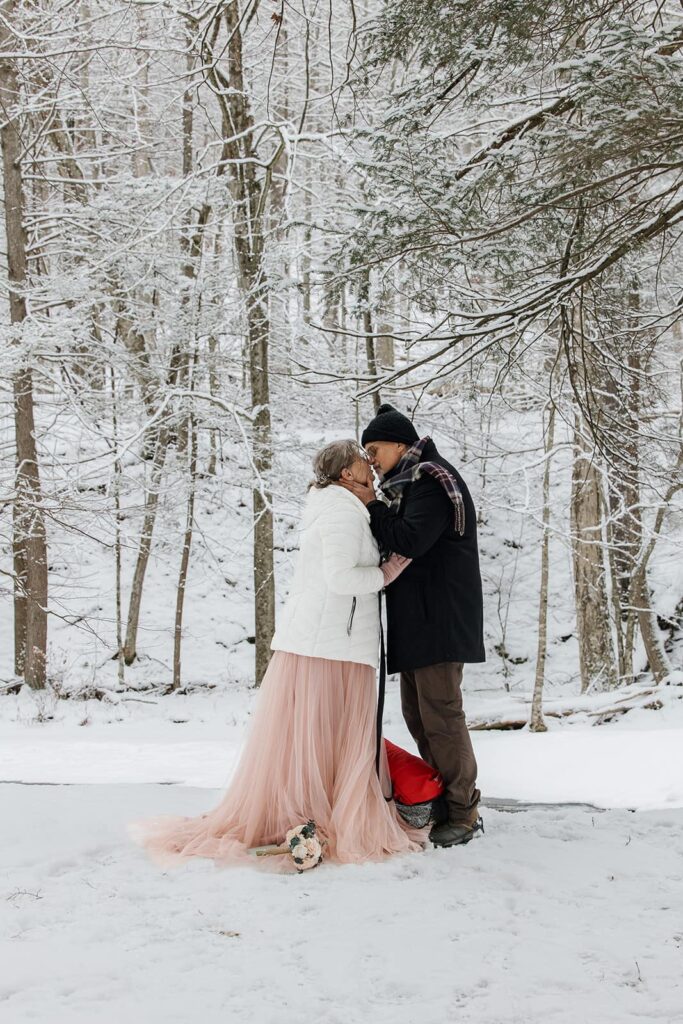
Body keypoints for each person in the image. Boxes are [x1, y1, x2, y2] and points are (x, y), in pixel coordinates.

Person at [133, 439, 423, 868]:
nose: (368, 464)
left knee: (323, 738)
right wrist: (386, 572)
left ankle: (313, 816)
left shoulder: (336, 506)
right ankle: (313, 819)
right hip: (330, 647)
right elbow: (342, 579)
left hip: (328, 642)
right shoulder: (341, 511)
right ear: (346, 474)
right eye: (361, 460)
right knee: (327, 736)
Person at [339, 404, 485, 848]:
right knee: (419, 717)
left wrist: (370, 504)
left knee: (441, 717)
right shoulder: (411, 484)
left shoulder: (430, 480)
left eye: (375, 448)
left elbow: (410, 540)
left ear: (400, 444)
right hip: (420, 621)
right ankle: (443, 802)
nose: (371, 458)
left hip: (439, 618)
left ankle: (463, 810)